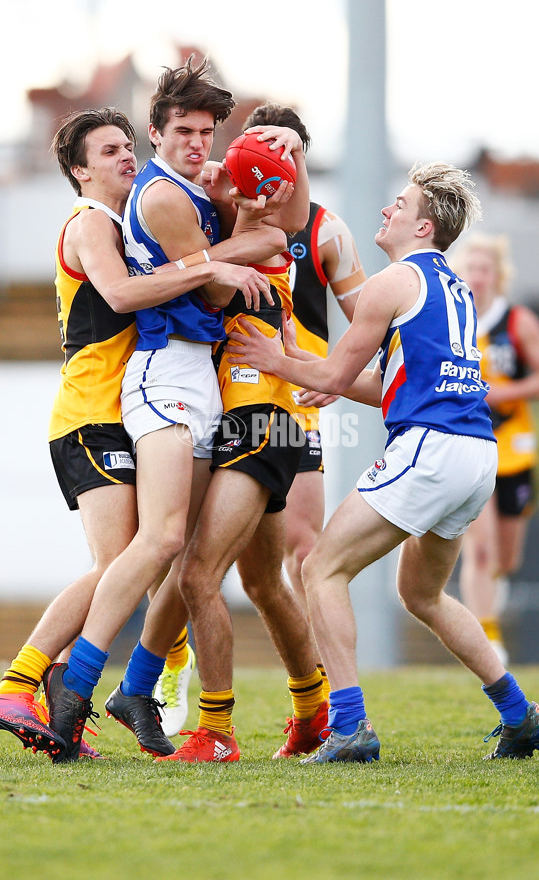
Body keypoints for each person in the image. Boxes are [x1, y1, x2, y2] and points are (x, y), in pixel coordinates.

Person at [227, 162, 539, 763]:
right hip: (476, 454)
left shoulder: (391, 284)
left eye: (400, 205)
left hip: (431, 448)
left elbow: (334, 374)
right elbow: (387, 383)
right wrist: (312, 367)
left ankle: (349, 726)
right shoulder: (450, 286)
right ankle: (520, 714)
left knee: (321, 569)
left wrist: (279, 361)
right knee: (422, 593)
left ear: (425, 226)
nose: (387, 211)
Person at [0, 106, 275, 761]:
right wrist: (209, 265)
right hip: (90, 412)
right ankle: (20, 682)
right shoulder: (88, 222)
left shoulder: (118, 220)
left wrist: (219, 228)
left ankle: (61, 723)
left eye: (127, 146)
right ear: (79, 170)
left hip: (114, 408)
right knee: (129, 562)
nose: (125, 157)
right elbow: (119, 294)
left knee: (132, 566)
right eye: (108, 151)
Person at [39, 58, 294, 763]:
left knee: (187, 559)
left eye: (208, 132)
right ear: (158, 132)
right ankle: (67, 693)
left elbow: (228, 259)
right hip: (164, 373)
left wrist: (235, 230)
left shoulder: (188, 189)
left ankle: (137, 687)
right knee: (157, 544)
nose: (197, 143)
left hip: (199, 378)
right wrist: (242, 248)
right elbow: (212, 292)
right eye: (183, 130)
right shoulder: (159, 200)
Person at [111, 116, 330, 764]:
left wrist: (309, 371)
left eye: (235, 167)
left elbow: (273, 223)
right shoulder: (226, 220)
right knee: (263, 582)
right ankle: (317, 711)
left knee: (199, 573)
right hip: (255, 419)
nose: (216, 178)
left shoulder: (267, 230)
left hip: (259, 420)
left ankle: (216, 730)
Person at [240, 103, 367, 709]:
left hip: (294, 409)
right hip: (224, 399)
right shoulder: (223, 214)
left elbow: (376, 322)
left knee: (301, 550)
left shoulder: (328, 231)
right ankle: (167, 673)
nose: (270, 162)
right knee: (185, 554)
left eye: (283, 150)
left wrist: (336, 374)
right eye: (259, 147)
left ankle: (324, 687)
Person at [451, 234, 539, 664]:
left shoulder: (517, 322)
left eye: (485, 269)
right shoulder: (451, 318)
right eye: (471, 269)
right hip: (471, 443)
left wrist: (503, 392)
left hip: (515, 445)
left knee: (507, 556)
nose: (477, 277)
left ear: (498, 277)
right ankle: (488, 639)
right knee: (480, 549)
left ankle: (491, 597)